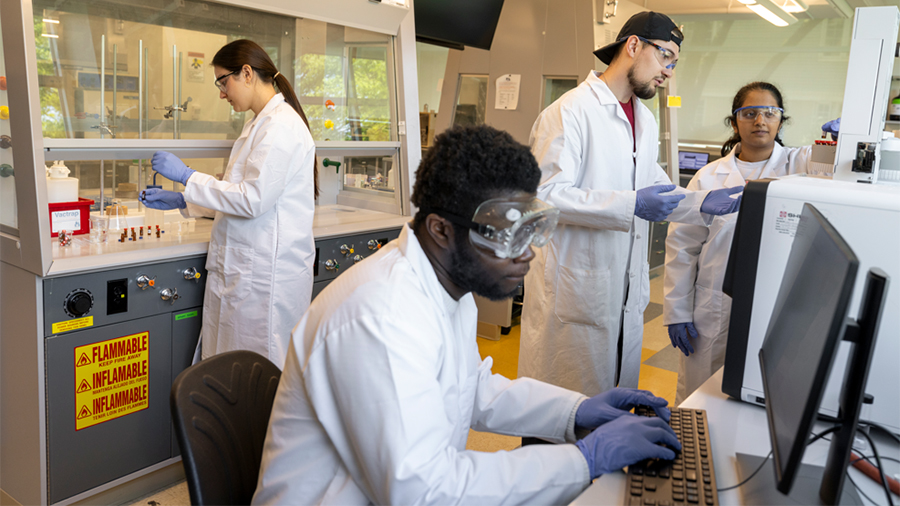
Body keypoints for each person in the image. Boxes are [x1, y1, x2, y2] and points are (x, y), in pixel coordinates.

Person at [252, 125, 681, 505]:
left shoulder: (446, 284)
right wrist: (583, 460)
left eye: (531, 228)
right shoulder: (380, 315)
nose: (528, 253)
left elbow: (471, 389)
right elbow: (422, 492)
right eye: (508, 235)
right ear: (441, 229)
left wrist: (577, 411)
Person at [519, 11, 743, 398]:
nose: (669, 71)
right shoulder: (569, 112)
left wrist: (701, 201)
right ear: (634, 45)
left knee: (611, 413)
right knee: (561, 419)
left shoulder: (644, 117)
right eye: (665, 56)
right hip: (574, 293)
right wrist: (630, 205)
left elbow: (649, 183)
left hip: (622, 295)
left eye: (674, 62)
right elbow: (544, 196)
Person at [141, 39, 318, 368]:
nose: (222, 93)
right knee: (231, 376)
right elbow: (238, 194)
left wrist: (188, 176)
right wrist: (186, 201)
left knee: (256, 378)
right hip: (245, 272)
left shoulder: (281, 126)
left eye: (224, 81)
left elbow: (252, 200)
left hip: (265, 279)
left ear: (247, 73)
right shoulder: (258, 124)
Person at [663, 82, 833, 404]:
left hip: (775, 302)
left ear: (781, 121)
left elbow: (843, 166)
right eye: (750, 113)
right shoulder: (709, 177)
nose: (760, 121)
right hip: (713, 307)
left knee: (761, 394)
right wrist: (677, 311)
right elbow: (683, 248)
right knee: (702, 396)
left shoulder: (802, 166)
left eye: (771, 113)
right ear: (734, 121)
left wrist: (841, 138)